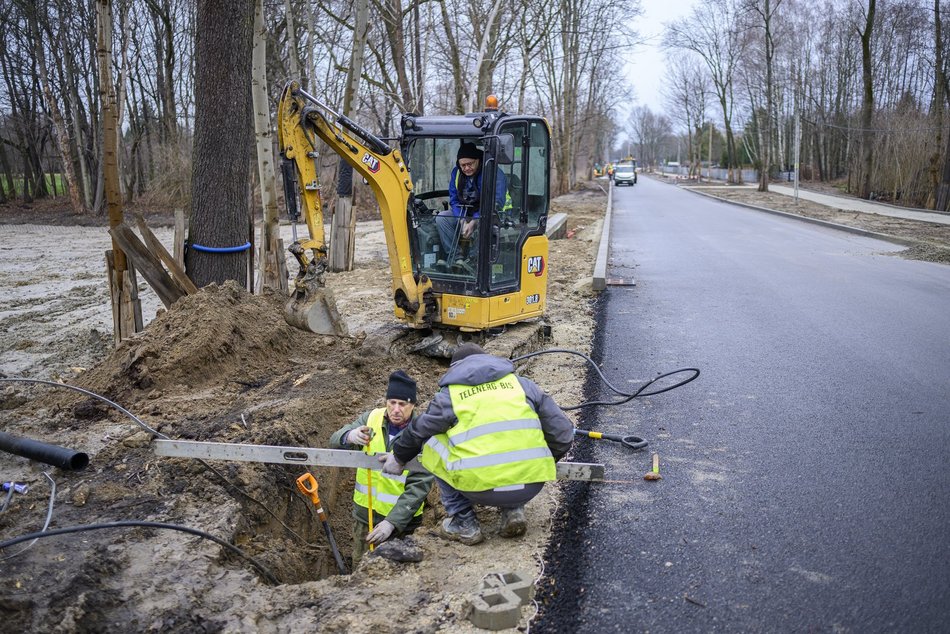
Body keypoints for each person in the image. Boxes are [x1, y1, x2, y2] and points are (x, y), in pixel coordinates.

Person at [379, 343, 574, 545]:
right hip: (530, 485)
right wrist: (540, 462)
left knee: (431, 440)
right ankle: (513, 509)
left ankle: (463, 521)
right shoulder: (523, 385)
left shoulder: (450, 395)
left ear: (456, 369)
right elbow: (563, 433)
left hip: (479, 489)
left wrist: (399, 456)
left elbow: (419, 429)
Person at [329, 370, 434, 564]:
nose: (396, 409)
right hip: (365, 516)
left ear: (412, 405)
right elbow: (334, 440)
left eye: (402, 404)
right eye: (391, 402)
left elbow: (419, 486)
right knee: (361, 567)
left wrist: (392, 523)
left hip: (402, 524)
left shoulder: (422, 432)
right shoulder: (371, 419)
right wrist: (349, 436)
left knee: (393, 575)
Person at [436, 142, 512, 262]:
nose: (466, 168)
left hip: (495, 214)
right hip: (467, 214)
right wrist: (461, 220)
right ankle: (456, 259)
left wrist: (474, 221)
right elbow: (454, 200)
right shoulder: (457, 173)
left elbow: (495, 202)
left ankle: (473, 261)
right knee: (442, 218)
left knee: (485, 222)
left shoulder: (492, 173)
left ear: (478, 160)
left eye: (469, 164)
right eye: (463, 165)